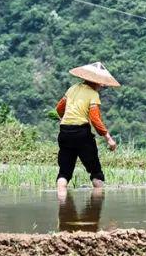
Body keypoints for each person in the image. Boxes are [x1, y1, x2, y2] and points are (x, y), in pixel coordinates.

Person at [55, 61, 120, 194]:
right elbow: (95, 120)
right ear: (95, 82)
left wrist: (65, 118)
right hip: (81, 134)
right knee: (96, 172)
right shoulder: (93, 94)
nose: (102, 86)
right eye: (101, 83)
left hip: (65, 132)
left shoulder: (72, 88)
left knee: (64, 172)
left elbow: (59, 108)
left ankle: (62, 206)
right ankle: (96, 209)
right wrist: (109, 139)